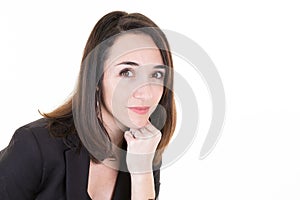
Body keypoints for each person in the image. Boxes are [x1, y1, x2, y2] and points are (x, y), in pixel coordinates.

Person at [0, 10, 176, 200]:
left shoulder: (143, 152)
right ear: (96, 78)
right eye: (127, 73)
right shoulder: (35, 146)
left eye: (156, 75)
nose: (146, 93)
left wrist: (141, 170)